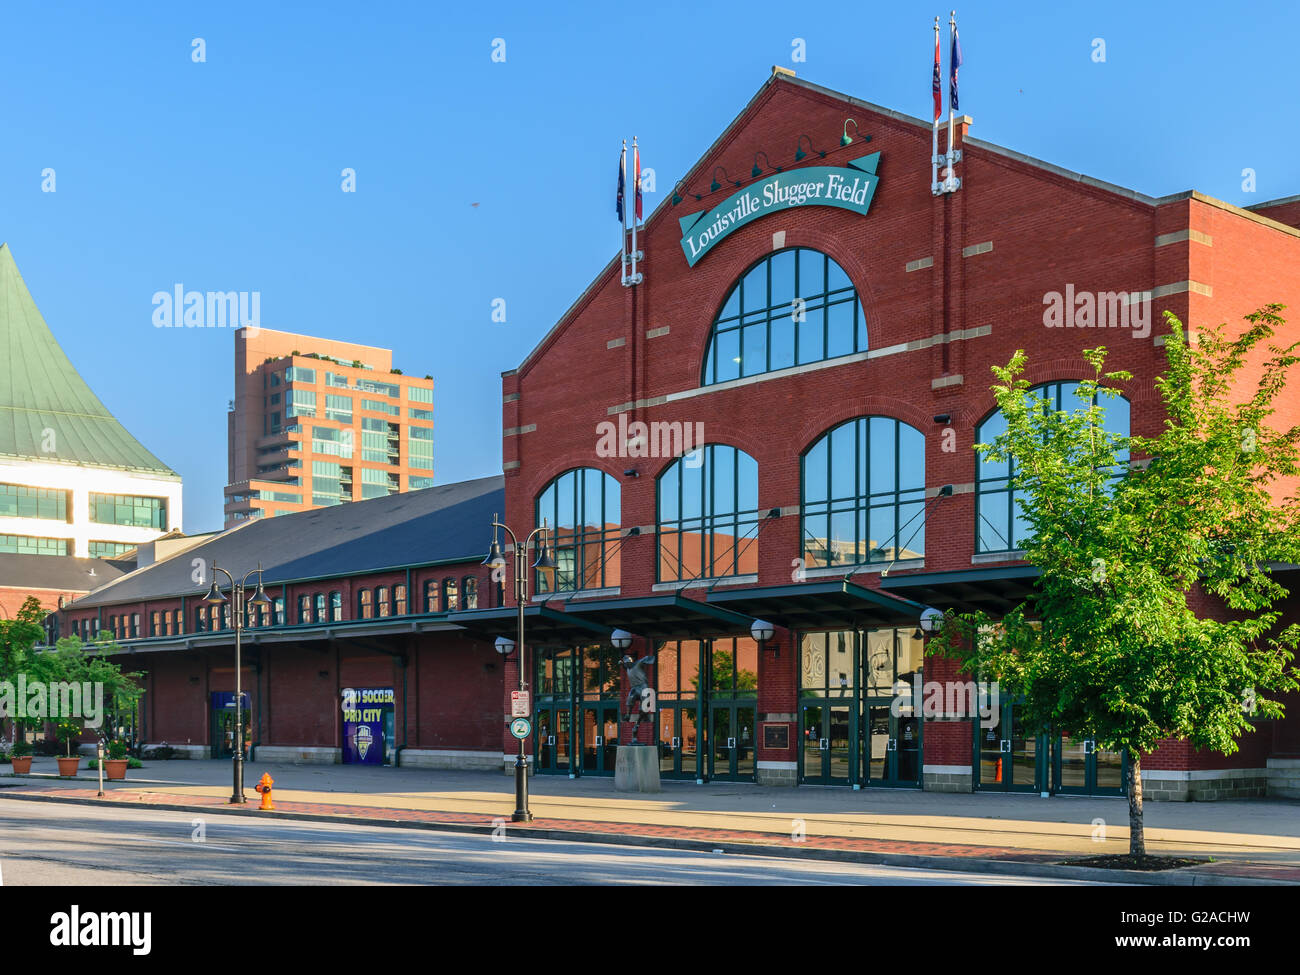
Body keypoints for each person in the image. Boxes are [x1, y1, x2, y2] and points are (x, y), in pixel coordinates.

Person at [621, 653, 656, 741]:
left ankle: (639, 721)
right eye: (625, 665)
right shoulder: (627, 668)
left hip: (643, 686)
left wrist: (649, 659)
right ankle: (628, 715)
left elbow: (647, 658)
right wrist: (621, 664)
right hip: (635, 687)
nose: (627, 666)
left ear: (630, 662)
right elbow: (625, 667)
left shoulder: (638, 663)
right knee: (630, 696)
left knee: (643, 708)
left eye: (627, 664)